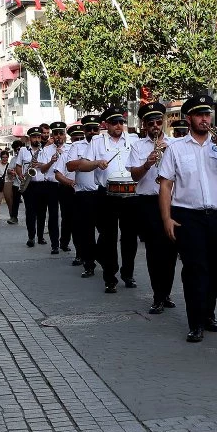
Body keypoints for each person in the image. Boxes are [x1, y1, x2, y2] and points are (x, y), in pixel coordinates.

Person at [159, 96, 217, 341]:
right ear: (188, 118)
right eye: (199, 115)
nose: (205, 119)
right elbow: (166, 186)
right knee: (194, 269)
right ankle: (195, 322)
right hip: (188, 216)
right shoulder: (176, 148)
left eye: (207, 114)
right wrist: (167, 218)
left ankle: (208, 313)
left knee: (215, 268)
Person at [80, 107, 140, 293]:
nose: (119, 126)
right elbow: (83, 165)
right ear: (106, 124)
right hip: (106, 194)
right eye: (114, 123)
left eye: (121, 122)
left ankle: (128, 273)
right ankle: (110, 276)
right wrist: (96, 163)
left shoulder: (134, 139)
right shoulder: (97, 141)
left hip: (130, 194)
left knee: (130, 237)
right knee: (108, 237)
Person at [128, 102, 178, 315]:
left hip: (172, 202)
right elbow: (134, 177)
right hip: (148, 202)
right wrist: (147, 163)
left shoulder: (175, 144)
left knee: (171, 251)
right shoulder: (138, 146)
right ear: (144, 125)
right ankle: (157, 296)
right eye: (151, 123)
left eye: (159, 122)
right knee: (154, 251)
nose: (156, 126)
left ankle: (166, 292)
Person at [67, 116, 101, 277]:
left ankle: (101, 257)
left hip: (102, 193)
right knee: (87, 233)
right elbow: (70, 165)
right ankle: (89, 265)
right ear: (84, 130)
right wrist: (85, 162)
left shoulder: (104, 143)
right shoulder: (76, 145)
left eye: (95, 129)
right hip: (84, 194)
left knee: (106, 232)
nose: (92, 132)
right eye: (89, 129)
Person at [54, 124, 84, 265]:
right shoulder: (66, 154)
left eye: (81, 138)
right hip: (69, 190)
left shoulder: (93, 151)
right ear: (71, 139)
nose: (78, 140)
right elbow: (58, 175)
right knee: (73, 222)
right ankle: (79, 253)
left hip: (89, 192)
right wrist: (70, 182)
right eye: (75, 138)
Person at [38, 122, 69, 254]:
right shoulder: (46, 150)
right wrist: (51, 161)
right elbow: (43, 170)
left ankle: (64, 242)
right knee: (53, 215)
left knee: (67, 215)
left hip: (65, 185)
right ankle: (54, 244)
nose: (58, 137)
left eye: (61, 133)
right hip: (51, 185)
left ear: (64, 135)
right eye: (55, 134)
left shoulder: (71, 148)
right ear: (52, 135)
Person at [15, 127, 48, 247]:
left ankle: (40, 237)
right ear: (30, 138)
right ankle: (31, 237)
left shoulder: (44, 150)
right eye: (34, 137)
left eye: (38, 137)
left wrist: (39, 164)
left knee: (42, 212)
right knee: (30, 212)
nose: (37, 139)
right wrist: (20, 176)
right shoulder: (23, 150)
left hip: (42, 184)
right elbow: (18, 166)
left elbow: (48, 166)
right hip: (29, 184)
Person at [6, 140, 24, 224]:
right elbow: (9, 169)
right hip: (17, 183)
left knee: (30, 202)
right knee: (15, 202)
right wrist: (11, 172)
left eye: (19, 149)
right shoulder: (14, 159)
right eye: (16, 149)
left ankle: (32, 217)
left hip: (28, 183)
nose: (18, 151)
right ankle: (14, 217)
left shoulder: (27, 157)